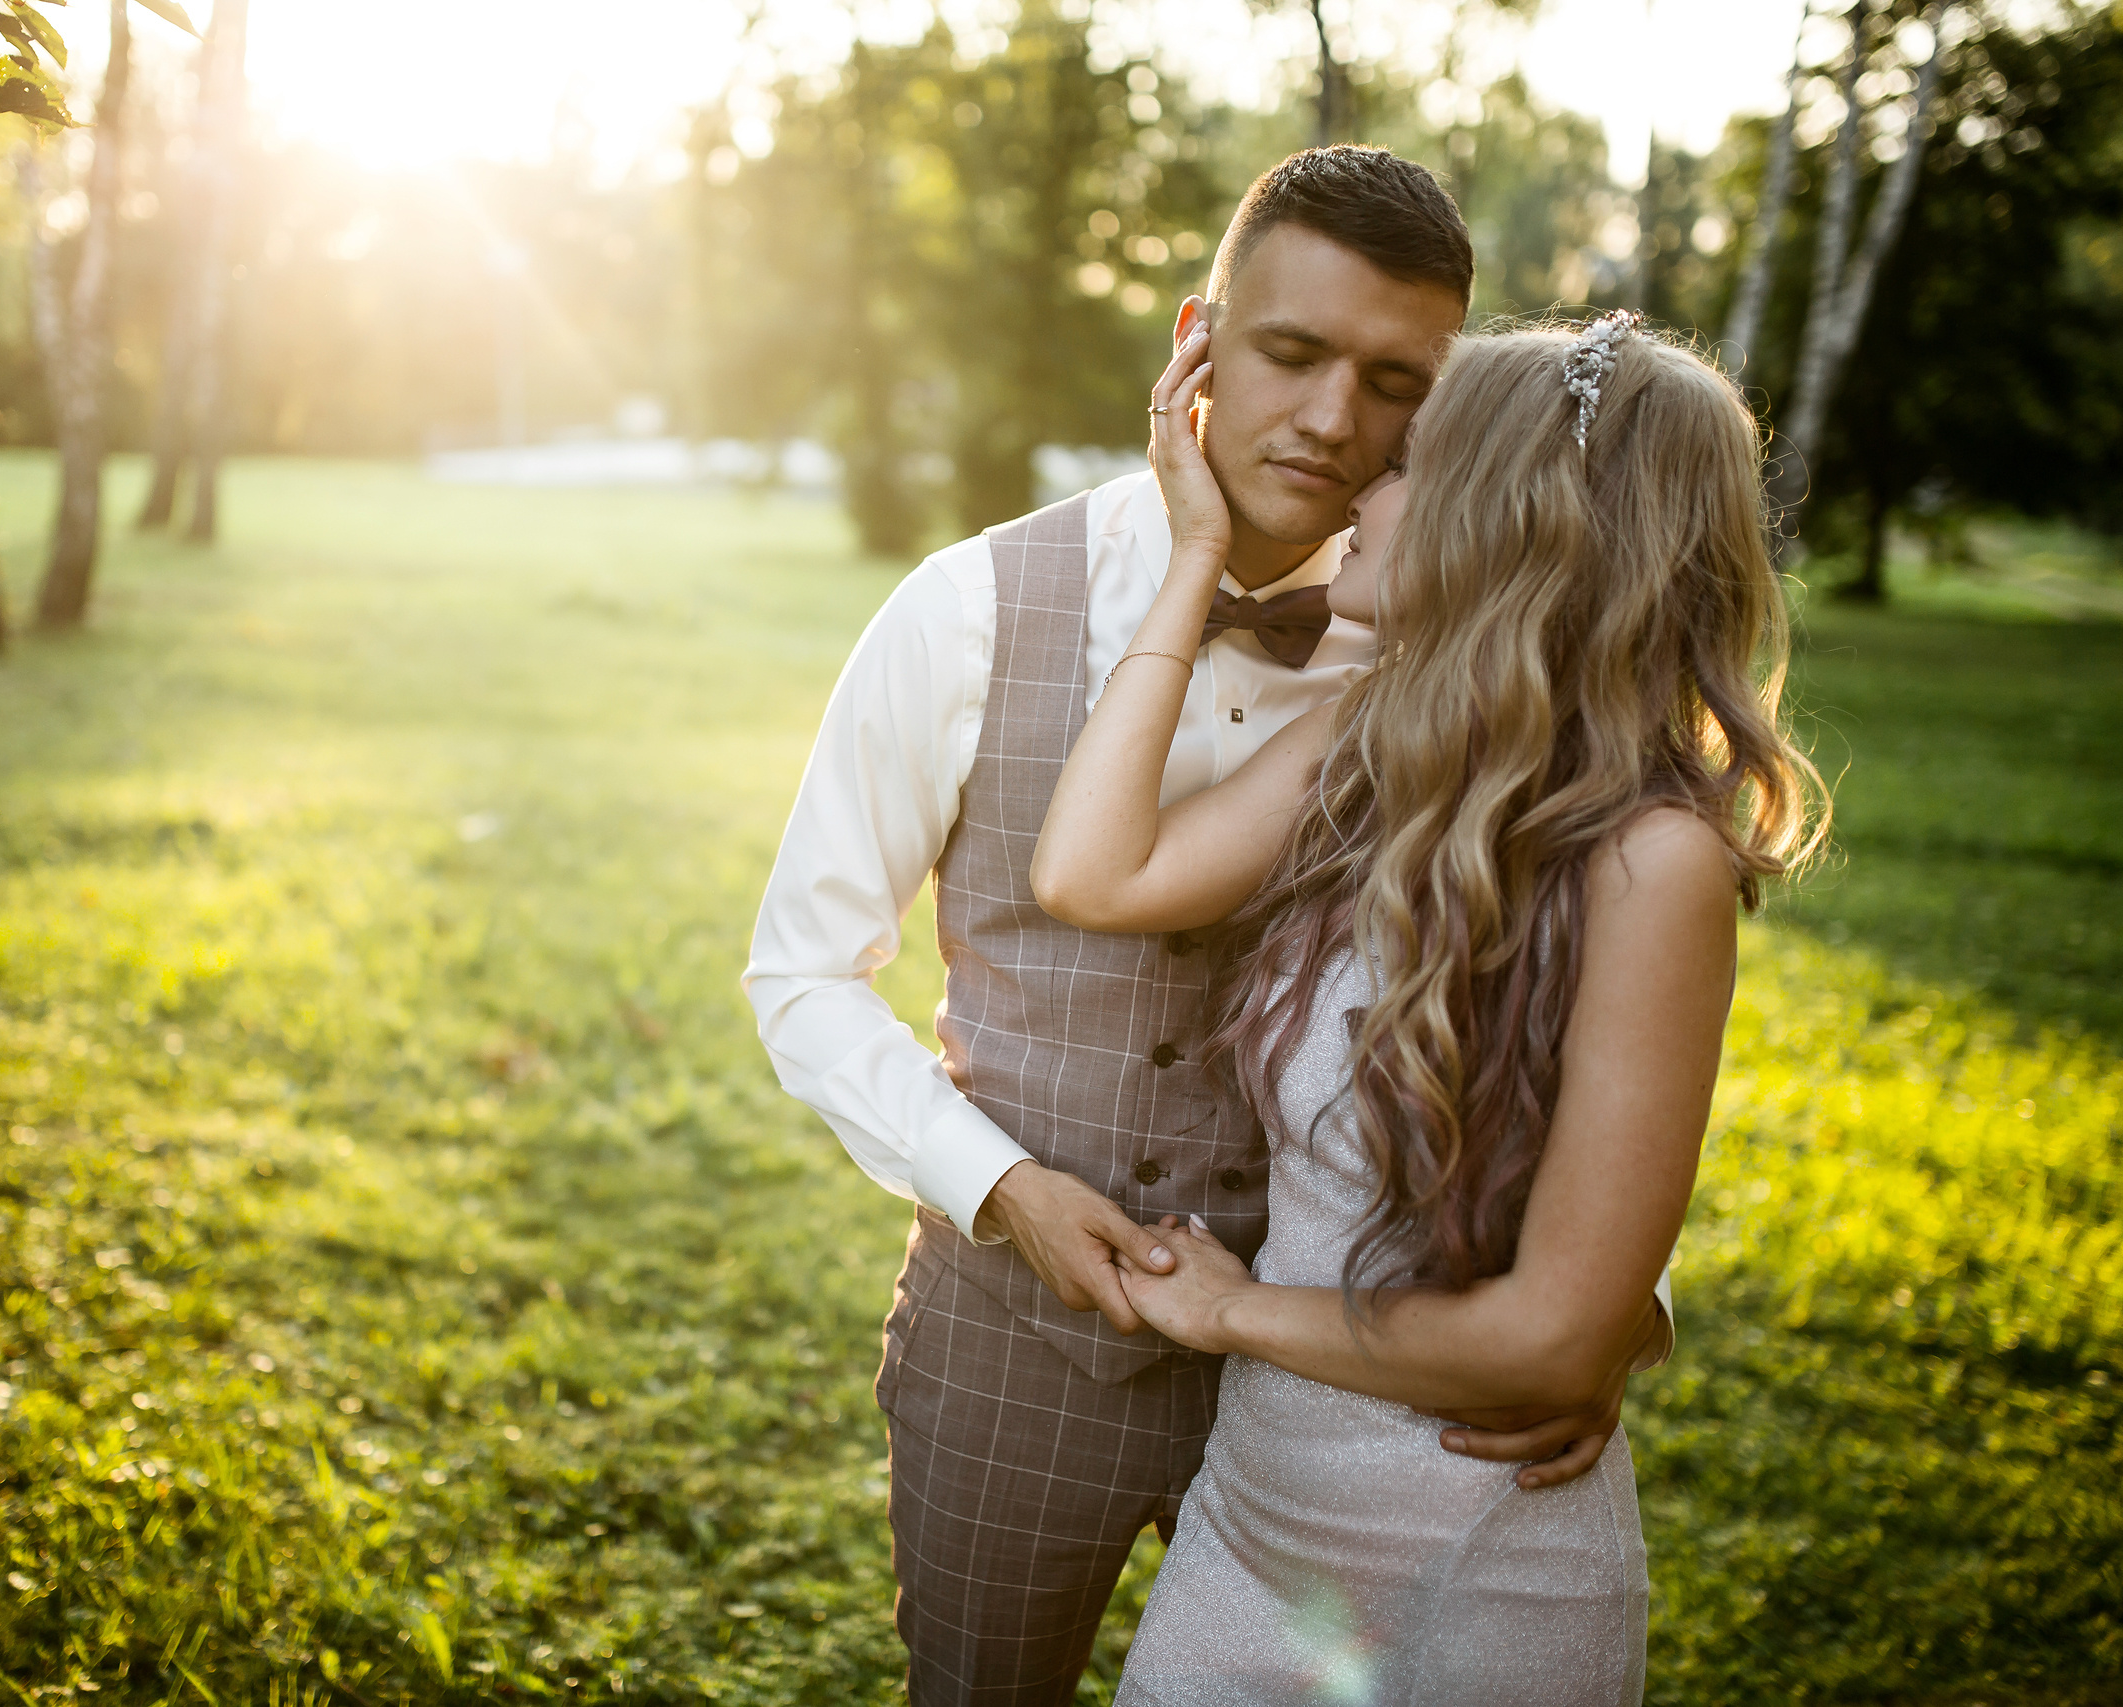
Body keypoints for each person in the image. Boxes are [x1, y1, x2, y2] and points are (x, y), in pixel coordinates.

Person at [745, 148, 1665, 1706]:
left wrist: (1591, 1322)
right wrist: (1005, 1188)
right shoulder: (966, 612)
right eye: (1291, 354)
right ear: (1202, 339)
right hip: (1014, 1356)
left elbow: (1576, 1024)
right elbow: (804, 977)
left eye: (1395, 383)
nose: (1330, 419)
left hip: (1338, 1396)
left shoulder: (1445, 668)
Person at [1026, 311, 1825, 1702]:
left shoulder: (1653, 862)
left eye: (1406, 468)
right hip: (1248, 1534)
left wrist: (1230, 1317)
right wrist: (1195, 554)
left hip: (1477, 1561)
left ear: (1503, 521)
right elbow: (1095, 872)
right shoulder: (1374, 744)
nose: (1361, 488)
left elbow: (1552, 1337)